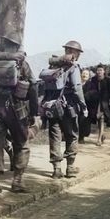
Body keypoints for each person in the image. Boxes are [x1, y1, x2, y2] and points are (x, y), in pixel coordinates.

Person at [0, 36, 38, 193]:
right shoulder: (22, 64)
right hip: (18, 109)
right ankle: (17, 181)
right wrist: (34, 112)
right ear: (17, 47)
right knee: (22, 143)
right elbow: (33, 87)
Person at [43, 40, 87, 179]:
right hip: (68, 107)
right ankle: (70, 167)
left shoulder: (53, 66)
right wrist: (83, 106)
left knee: (55, 137)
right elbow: (77, 88)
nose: (78, 55)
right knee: (72, 135)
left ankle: (56, 169)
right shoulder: (73, 67)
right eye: (78, 52)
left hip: (52, 106)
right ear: (75, 53)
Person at [84, 63, 110, 145]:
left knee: (101, 119)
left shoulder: (108, 80)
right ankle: (102, 135)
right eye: (98, 70)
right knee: (97, 120)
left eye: (101, 70)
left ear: (104, 71)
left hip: (104, 104)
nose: (99, 72)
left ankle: (99, 139)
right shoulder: (93, 80)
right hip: (95, 103)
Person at [78, 68, 92, 144]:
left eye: (86, 74)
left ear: (89, 76)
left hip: (87, 105)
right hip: (77, 104)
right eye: (83, 73)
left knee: (84, 122)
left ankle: (81, 137)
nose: (84, 75)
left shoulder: (90, 84)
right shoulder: (77, 83)